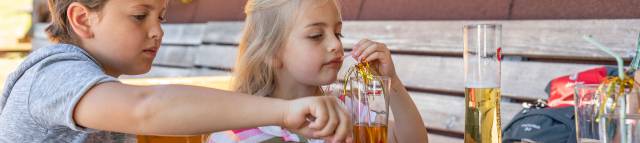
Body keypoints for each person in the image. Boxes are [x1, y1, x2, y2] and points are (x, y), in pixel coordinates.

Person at [0, 0, 351, 142]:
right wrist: (285, 111)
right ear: (82, 19)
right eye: (140, 16)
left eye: (161, 17)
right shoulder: (52, 74)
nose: (157, 31)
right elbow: (148, 107)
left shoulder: (97, 87)